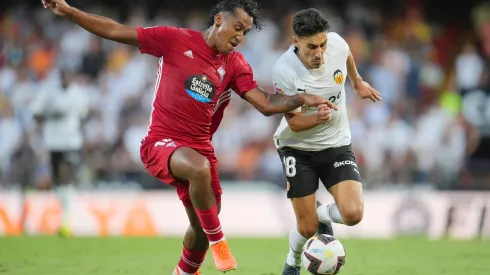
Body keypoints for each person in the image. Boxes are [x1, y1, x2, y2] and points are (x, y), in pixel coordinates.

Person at [41, 1, 335, 274]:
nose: (240, 37)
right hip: (161, 141)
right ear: (219, 20)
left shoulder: (234, 64)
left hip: (199, 148)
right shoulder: (173, 39)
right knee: (202, 184)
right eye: (237, 28)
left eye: (245, 32)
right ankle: (220, 243)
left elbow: (266, 104)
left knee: (200, 227)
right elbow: (115, 30)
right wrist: (69, 11)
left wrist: (300, 98)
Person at [271, 8, 382, 275]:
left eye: (323, 44)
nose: (319, 53)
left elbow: (347, 56)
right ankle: (293, 260)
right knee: (307, 229)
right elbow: (295, 122)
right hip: (297, 149)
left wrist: (356, 82)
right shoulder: (284, 70)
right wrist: (317, 120)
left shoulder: (338, 44)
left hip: (336, 144)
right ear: (295, 41)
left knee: (353, 214)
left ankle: (318, 213)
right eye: (311, 47)